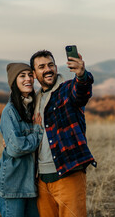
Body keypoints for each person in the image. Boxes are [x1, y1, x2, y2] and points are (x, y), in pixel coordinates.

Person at [30, 50, 96, 217]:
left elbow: (81, 92)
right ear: (34, 74)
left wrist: (81, 75)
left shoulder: (67, 90)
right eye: (42, 67)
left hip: (69, 172)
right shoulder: (34, 101)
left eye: (51, 65)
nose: (48, 69)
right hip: (42, 179)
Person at [0, 63, 43, 217]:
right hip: (12, 183)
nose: (28, 79)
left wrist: (24, 141)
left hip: (32, 185)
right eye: (22, 76)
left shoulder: (35, 107)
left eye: (30, 75)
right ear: (14, 81)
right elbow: (16, 148)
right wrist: (36, 133)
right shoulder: (10, 112)